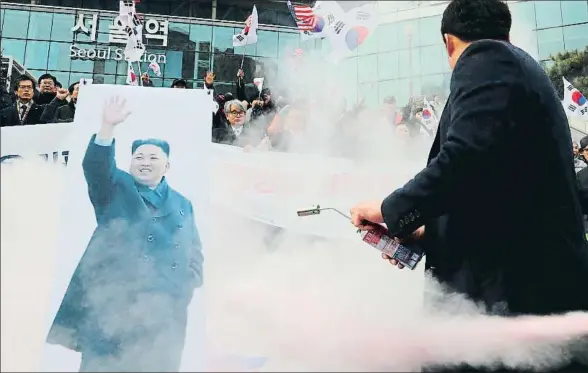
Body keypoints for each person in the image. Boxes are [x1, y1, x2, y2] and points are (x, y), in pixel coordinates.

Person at [350, 1, 588, 372]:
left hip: (508, 300)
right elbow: (499, 189)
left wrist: (388, 208)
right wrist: (429, 232)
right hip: (523, 291)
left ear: (448, 42)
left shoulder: (485, 59)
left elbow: (465, 158)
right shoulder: (518, 69)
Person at [47, 96, 203, 372]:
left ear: (167, 166)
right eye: (138, 157)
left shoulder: (183, 204)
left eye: (153, 157)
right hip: (112, 306)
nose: (145, 162)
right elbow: (96, 167)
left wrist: (183, 286)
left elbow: (195, 254)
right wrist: (107, 126)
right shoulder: (115, 187)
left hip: (163, 314)